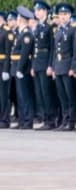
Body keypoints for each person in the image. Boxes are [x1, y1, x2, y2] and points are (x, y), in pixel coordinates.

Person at [32, 1, 56, 130]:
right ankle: (45, 118)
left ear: (45, 11)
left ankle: (51, 120)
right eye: (36, 10)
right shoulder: (38, 27)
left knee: (47, 94)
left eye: (39, 10)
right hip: (38, 63)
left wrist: (50, 65)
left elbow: (52, 48)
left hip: (46, 62)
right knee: (40, 93)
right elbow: (35, 48)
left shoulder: (49, 27)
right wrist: (33, 66)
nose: (37, 12)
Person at [10, 6, 35, 130]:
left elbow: (24, 54)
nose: (17, 19)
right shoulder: (20, 33)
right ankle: (21, 119)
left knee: (25, 96)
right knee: (20, 96)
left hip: (23, 69)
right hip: (16, 67)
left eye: (19, 17)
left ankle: (27, 121)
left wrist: (19, 69)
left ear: (22, 19)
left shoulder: (27, 34)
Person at [52, 3, 75, 131]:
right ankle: (65, 121)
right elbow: (56, 51)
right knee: (62, 96)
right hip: (59, 66)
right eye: (61, 14)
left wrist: (73, 67)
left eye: (65, 14)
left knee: (70, 96)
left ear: (70, 15)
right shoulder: (59, 30)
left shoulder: (73, 29)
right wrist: (54, 67)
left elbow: (75, 51)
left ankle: (71, 122)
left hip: (68, 66)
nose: (63, 16)